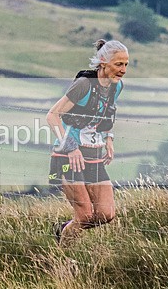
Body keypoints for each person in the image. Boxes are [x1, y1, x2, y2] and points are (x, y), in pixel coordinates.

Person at [46, 39, 129, 245]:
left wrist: (109, 138)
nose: (123, 70)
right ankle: (62, 260)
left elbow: (108, 113)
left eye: (126, 64)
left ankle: (64, 229)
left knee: (106, 214)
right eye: (118, 64)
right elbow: (52, 116)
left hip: (94, 155)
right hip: (68, 156)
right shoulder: (84, 85)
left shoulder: (116, 87)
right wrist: (71, 147)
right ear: (102, 62)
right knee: (84, 216)